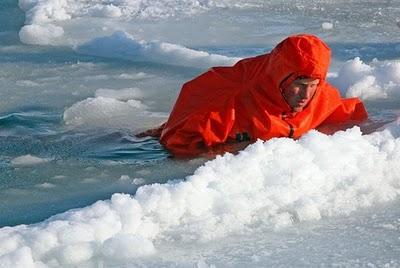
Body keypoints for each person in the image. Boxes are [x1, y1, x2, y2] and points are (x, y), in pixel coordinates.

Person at [141, 34, 368, 157]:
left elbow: (355, 119)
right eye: (299, 84)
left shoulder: (322, 97)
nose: (306, 95)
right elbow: (177, 142)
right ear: (281, 78)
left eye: (313, 85)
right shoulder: (230, 106)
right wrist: (241, 151)